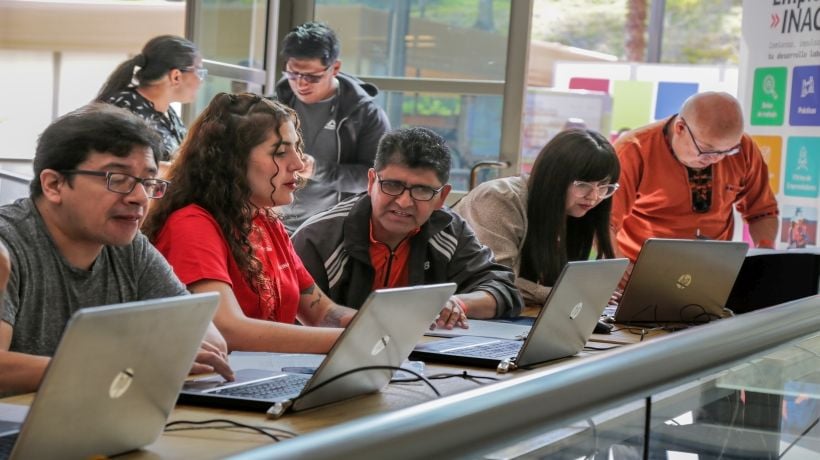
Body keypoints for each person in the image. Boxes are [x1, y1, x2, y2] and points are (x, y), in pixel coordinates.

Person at [0, 104, 232, 395]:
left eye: (148, 181)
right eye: (118, 179)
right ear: (54, 184)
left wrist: (131, 364)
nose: (139, 197)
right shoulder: (8, 246)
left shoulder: (130, 248)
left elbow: (208, 340)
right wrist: (132, 364)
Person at [143, 93, 357, 354]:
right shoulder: (191, 224)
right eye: (280, 152)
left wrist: (381, 329)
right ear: (232, 161)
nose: (299, 163)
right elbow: (227, 330)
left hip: (267, 379)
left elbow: (323, 313)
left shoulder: (265, 220)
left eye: (297, 148)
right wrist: (354, 342)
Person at [292, 127, 524, 329]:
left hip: (425, 356)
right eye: (392, 185)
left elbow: (502, 289)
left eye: (422, 190)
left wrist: (457, 303)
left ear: (441, 197)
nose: (404, 202)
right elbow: (293, 322)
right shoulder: (318, 238)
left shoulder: (449, 229)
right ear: (371, 181)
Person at [453, 129, 620, 306]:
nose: (594, 196)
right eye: (583, 185)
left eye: (603, 186)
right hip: (452, 314)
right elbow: (498, 283)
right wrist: (570, 294)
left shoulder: (572, 211)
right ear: (554, 177)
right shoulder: (500, 198)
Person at [611, 91, 779, 263]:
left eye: (728, 151)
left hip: (713, 271)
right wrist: (616, 265)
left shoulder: (744, 148)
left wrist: (765, 252)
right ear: (680, 128)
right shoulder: (633, 151)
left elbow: (762, 212)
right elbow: (604, 223)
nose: (717, 159)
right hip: (640, 271)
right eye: (707, 150)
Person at [271, 22, 391, 232]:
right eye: (293, 74)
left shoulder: (364, 114)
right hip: (276, 226)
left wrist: (318, 170)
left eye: (312, 77)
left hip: (334, 232)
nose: (301, 84)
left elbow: (376, 178)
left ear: (335, 68)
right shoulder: (274, 105)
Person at [96, 35, 206, 172]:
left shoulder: (169, 113)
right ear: (176, 76)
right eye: (199, 72)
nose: (201, 80)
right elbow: (117, 166)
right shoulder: (122, 109)